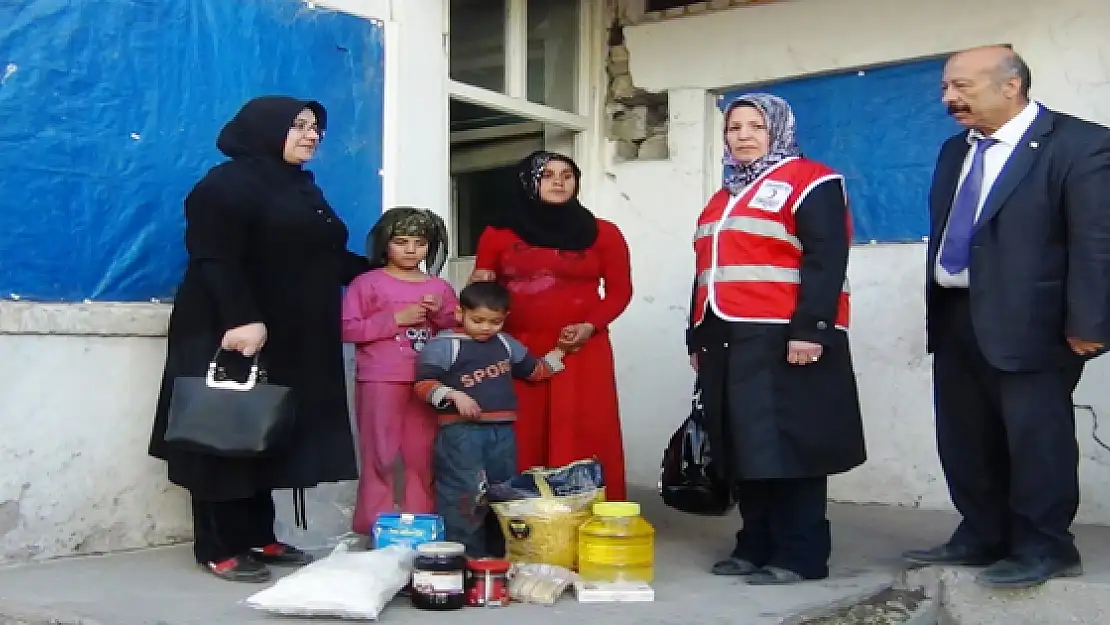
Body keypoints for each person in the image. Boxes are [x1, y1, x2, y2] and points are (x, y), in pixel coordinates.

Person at [902, 46, 1110, 589]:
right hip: (956, 314)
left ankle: (1046, 546)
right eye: (947, 87)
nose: (949, 98)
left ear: (1011, 85)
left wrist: (1090, 321)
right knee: (965, 435)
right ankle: (982, 533)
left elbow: (1097, 241)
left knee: (1034, 438)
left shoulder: (1080, 145)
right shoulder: (955, 152)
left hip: (1035, 321)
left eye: (963, 87)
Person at [148, 96, 371, 582]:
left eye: (315, 128)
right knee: (224, 432)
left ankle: (256, 534)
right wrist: (242, 319)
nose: (311, 135)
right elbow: (214, 259)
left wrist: (382, 272)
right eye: (298, 125)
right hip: (230, 329)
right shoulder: (225, 185)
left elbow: (324, 257)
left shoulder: (300, 188)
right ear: (266, 128)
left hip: (290, 334)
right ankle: (217, 544)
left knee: (266, 429)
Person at [689, 93, 867, 585]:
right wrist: (696, 337)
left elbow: (826, 261)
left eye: (755, 126)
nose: (743, 135)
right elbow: (707, 271)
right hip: (726, 334)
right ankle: (755, 544)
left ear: (779, 130)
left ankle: (801, 554)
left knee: (792, 445)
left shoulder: (813, 181)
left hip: (786, 336)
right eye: (733, 127)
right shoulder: (723, 196)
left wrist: (810, 331)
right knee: (744, 446)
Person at [470, 151, 632, 501]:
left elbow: (620, 292)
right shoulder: (498, 233)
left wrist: (590, 325)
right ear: (529, 182)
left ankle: (588, 516)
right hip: (517, 349)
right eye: (547, 175)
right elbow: (483, 290)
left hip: (582, 349)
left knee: (584, 429)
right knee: (521, 432)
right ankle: (523, 520)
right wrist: (479, 287)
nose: (559, 182)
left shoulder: (603, 233)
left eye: (567, 175)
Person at [413, 281, 565, 556]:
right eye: (478, 320)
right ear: (460, 313)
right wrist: (454, 396)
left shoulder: (506, 344)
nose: (486, 327)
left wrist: (561, 353)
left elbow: (535, 371)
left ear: (505, 318)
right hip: (460, 433)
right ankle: (464, 556)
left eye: (494, 322)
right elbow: (423, 384)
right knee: (464, 492)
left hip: (502, 431)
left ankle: (497, 556)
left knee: (503, 491)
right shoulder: (445, 345)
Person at [341, 207, 456, 535]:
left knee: (423, 455)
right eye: (401, 241)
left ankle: (422, 526)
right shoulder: (366, 283)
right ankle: (375, 526)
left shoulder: (439, 287)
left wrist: (440, 316)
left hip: (427, 381)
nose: (410, 250)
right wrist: (395, 320)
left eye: (419, 243)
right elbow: (347, 329)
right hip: (380, 378)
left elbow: (455, 325)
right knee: (381, 453)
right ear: (384, 245)